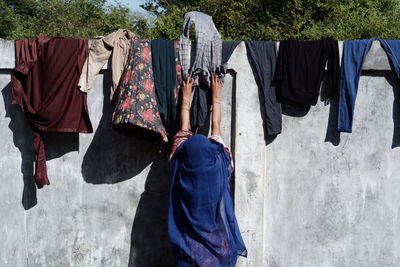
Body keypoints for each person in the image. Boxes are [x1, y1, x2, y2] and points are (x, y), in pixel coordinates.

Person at [168, 74, 247, 266]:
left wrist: (186, 97)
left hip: (189, 247)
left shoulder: (180, 163)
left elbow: (183, 130)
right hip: (218, 246)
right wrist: (216, 96)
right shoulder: (219, 161)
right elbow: (216, 127)